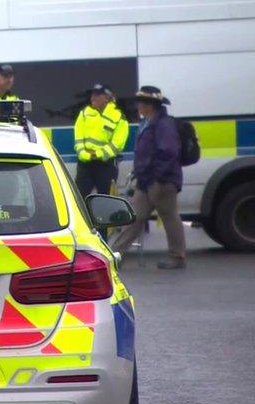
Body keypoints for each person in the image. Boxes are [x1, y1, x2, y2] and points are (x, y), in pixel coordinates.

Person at [110, 86, 186, 269]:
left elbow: (169, 152)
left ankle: (177, 257)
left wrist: (158, 177)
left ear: (150, 105)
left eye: (141, 102)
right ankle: (116, 255)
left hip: (161, 181)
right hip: (147, 180)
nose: (138, 106)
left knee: (169, 217)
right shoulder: (149, 122)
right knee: (134, 217)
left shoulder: (163, 124)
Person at [73, 83, 129, 197]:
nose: (93, 97)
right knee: (79, 197)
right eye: (92, 94)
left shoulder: (118, 117)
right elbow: (78, 137)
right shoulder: (84, 114)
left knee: (106, 198)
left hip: (105, 164)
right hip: (85, 163)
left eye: (98, 95)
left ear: (107, 98)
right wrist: (82, 153)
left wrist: (98, 154)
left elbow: (117, 144)